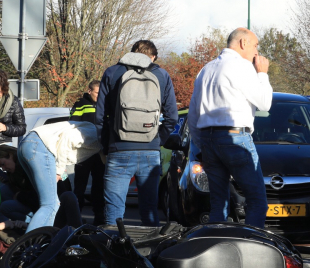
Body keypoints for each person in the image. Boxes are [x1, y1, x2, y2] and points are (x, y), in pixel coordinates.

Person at [187, 28, 273, 228]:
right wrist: (262, 74)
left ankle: (216, 243)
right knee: (257, 200)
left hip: (208, 139)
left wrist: (201, 146)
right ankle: (251, 243)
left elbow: (193, 114)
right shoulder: (242, 66)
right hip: (235, 137)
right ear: (243, 43)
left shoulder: (206, 69)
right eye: (255, 45)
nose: (256, 52)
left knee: (218, 203)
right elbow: (265, 103)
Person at [96, 40, 178, 226]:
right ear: (153, 57)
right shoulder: (162, 75)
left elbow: (100, 116)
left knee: (114, 209)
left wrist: (105, 145)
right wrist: (158, 140)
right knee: (150, 209)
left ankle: (113, 243)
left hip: (119, 149)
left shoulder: (112, 72)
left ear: (132, 53)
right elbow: (172, 116)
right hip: (150, 150)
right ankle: (151, 244)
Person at [17, 121, 100, 232]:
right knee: (50, 205)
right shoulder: (96, 133)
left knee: (51, 204)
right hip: (39, 146)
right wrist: (59, 170)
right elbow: (67, 139)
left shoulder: (98, 139)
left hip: (29, 145)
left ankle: (44, 239)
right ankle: (29, 242)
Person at [0, 144, 83, 229]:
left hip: (49, 205)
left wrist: (19, 195)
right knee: (4, 191)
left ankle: (33, 224)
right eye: (1, 167)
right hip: (35, 201)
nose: (3, 169)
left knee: (6, 206)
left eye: (3, 164)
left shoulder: (28, 166)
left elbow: (36, 197)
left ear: (10, 155)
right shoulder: (14, 172)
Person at [70, 80, 106, 225]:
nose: (99, 95)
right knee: (80, 186)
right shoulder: (80, 104)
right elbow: (73, 124)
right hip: (83, 151)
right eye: (97, 93)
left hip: (99, 151)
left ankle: (99, 217)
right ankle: (76, 217)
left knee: (99, 185)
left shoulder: (105, 103)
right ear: (89, 91)